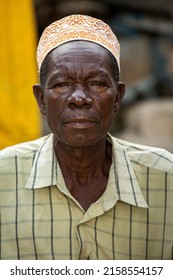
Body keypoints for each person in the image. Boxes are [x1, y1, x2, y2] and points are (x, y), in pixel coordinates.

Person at [0, 14, 173, 260]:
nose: (79, 98)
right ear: (41, 99)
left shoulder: (166, 179)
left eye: (97, 83)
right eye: (61, 84)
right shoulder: (3, 178)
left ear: (117, 98)